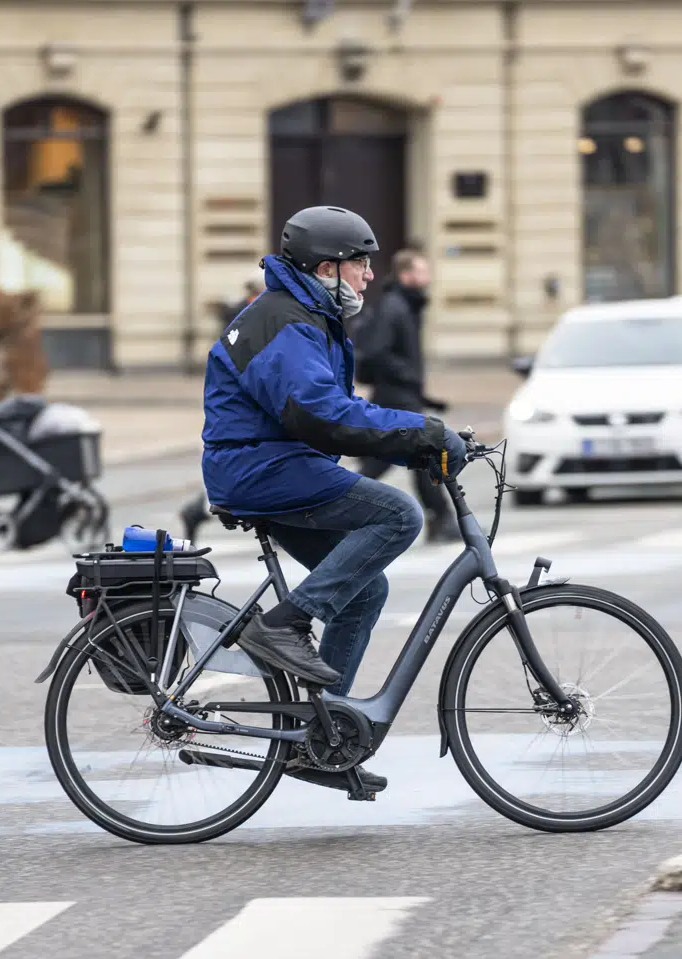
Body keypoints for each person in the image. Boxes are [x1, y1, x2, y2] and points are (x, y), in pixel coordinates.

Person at [201, 206, 467, 794]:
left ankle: (322, 741)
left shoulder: (303, 316)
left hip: (269, 465)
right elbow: (321, 413)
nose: (370, 276)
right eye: (362, 265)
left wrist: (414, 445)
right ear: (328, 267)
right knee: (400, 515)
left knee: (364, 589)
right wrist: (420, 433)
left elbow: (329, 418)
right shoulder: (285, 323)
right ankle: (286, 624)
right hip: (260, 469)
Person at [352, 250, 461, 543]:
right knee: (419, 454)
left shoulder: (405, 306)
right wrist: (409, 377)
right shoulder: (394, 307)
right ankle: (441, 519)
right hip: (395, 397)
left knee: (401, 458)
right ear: (406, 275)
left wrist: (421, 392)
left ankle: (441, 520)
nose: (427, 278)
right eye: (422, 271)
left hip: (401, 395)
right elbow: (378, 352)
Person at [178, 271, 267, 544]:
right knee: (237, 481)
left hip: (246, 407)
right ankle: (196, 511)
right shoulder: (246, 320)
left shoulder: (252, 316)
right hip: (241, 409)